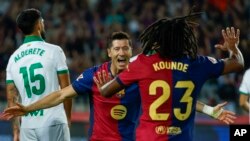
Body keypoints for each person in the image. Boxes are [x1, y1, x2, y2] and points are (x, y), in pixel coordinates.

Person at [1, 31, 236, 141]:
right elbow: (62, 94)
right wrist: (28, 108)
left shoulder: (142, 75)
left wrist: (209, 110)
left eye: (126, 48)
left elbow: (175, 97)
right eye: (117, 49)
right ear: (109, 53)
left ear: (131, 51)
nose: (121, 52)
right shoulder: (94, 75)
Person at [94, 15, 244, 141]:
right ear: (184, 40)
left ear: (157, 41)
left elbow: (106, 92)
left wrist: (103, 87)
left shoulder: (142, 63)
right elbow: (237, 64)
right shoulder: (198, 64)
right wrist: (233, 48)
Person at [5, 8, 72, 141]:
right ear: (38, 25)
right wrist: (68, 118)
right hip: (53, 121)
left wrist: (16, 131)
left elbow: (12, 98)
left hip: (27, 126)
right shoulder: (54, 51)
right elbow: (66, 90)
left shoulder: (13, 59)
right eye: (42, 22)